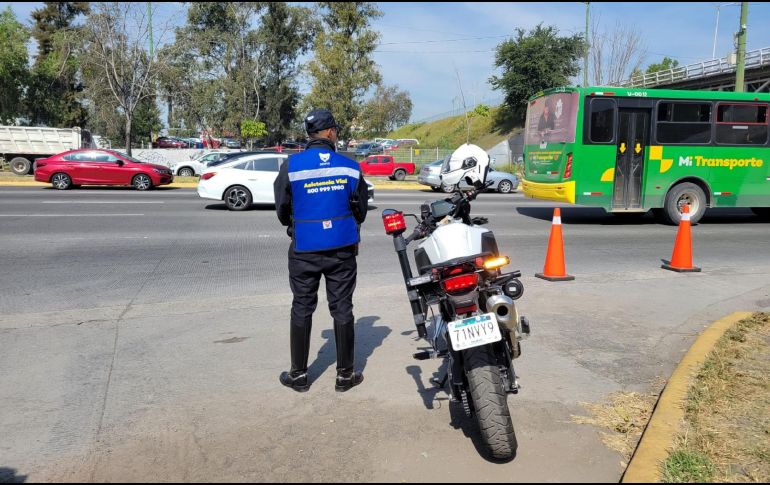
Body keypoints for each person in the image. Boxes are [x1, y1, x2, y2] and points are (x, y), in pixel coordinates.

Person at [273, 108, 369, 393]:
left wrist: (299, 224)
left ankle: (299, 376)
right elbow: (361, 210)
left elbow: (281, 209)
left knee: (302, 307)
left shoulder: (292, 165)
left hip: (305, 248)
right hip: (342, 249)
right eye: (335, 131)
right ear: (329, 133)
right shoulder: (350, 166)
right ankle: (345, 376)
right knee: (342, 308)